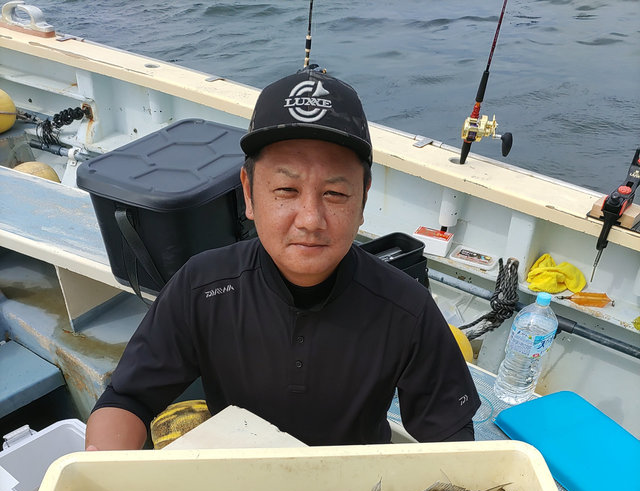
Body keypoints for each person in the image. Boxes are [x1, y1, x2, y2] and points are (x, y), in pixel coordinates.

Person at [85, 66, 480, 451]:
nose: (310, 220)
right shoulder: (201, 286)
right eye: (286, 189)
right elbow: (128, 400)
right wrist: (99, 480)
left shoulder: (406, 309)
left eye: (336, 194)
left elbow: (451, 441)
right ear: (249, 192)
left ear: (363, 199)